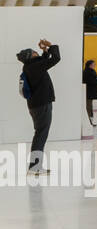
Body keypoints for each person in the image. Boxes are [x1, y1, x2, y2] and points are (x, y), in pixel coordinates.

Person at [17, 40, 60, 174]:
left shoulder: (30, 66)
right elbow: (56, 58)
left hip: (36, 105)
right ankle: (34, 167)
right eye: (35, 52)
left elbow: (44, 60)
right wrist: (51, 45)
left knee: (40, 134)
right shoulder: (35, 67)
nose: (37, 53)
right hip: (42, 105)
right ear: (31, 56)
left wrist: (45, 50)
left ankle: (35, 166)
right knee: (41, 134)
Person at [82, 59, 97, 125]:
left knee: (90, 107)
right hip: (88, 92)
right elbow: (90, 81)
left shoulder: (91, 71)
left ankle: (90, 121)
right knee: (88, 107)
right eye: (93, 64)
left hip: (91, 91)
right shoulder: (87, 72)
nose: (94, 66)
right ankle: (89, 122)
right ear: (89, 65)